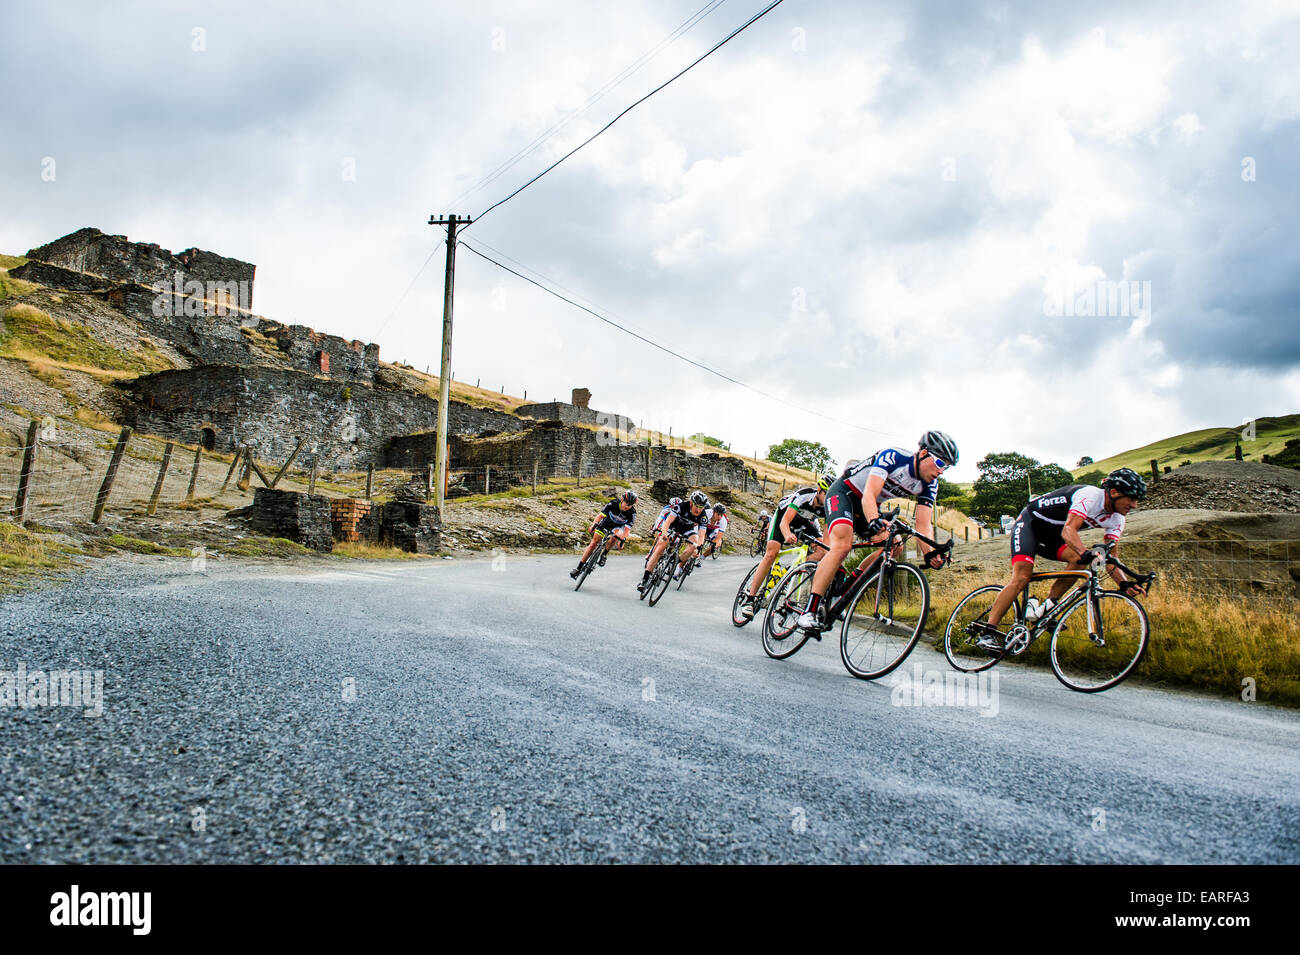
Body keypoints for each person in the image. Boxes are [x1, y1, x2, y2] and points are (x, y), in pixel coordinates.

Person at [797, 432, 957, 633]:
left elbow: (924, 525)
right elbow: (869, 495)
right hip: (845, 494)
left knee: (895, 546)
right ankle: (809, 611)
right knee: (842, 545)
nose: (942, 471)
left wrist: (931, 552)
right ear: (924, 453)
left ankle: (843, 589)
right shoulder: (894, 457)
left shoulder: (930, 484)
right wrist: (873, 519)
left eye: (947, 467)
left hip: (869, 506)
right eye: (940, 463)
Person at [977, 468, 1148, 638]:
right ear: (1114, 492)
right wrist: (1084, 552)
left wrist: (1124, 584)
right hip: (1030, 525)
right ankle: (987, 633)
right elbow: (1068, 531)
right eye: (1131, 499)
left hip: (1052, 535)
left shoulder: (1117, 519)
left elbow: (1111, 557)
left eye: (1137, 500)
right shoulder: (1090, 496)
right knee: (1022, 577)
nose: (1134, 505)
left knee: (1078, 561)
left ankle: (1045, 609)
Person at [738, 473, 833, 619]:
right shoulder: (804, 496)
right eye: (827, 494)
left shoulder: (828, 507)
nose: (828, 499)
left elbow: (826, 540)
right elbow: (784, 523)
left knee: (823, 551)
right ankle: (750, 599)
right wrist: (787, 534)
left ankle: (797, 572)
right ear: (819, 490)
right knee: (772, 553)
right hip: (784, 516)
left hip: (805, 522)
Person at [638, 490, 710, 593]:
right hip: (673, 526)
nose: (698, 510)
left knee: (694, 544)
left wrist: (698, 548)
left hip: (687, 530)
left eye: (701, 507)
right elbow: (667, 522)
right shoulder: (681, 506)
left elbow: (701, 535)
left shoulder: (703, 516)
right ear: (691, 503)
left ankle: (675, 562)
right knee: (661, 547)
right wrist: (664, 533)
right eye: (697, 506)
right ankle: (645, 579)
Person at [570, 489, 637, 578]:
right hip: (606, 523)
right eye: (626, 503)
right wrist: (593, 525)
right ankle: (579, 568)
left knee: (616, 536)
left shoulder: (632, 513)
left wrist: (622, 540)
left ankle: (604, 554)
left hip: (618, 527)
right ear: (622, 499)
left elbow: (627, 530)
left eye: (630, 505)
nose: (627, 506)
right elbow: (600, 516)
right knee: (593, 544)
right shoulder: (613, 504)